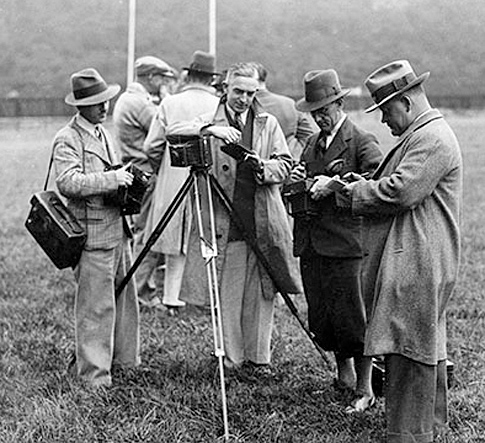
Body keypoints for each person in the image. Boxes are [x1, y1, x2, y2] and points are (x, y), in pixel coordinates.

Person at [332, 60, 462, 441]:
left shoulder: (432, 138)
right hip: (420, 256)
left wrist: (346, 191)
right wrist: (363, 181)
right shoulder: (423, 134)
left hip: (419, 260)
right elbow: (398, 182)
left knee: (408, 350)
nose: (385, 122)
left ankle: (409, 434)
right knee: (424, 345)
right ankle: (428, 428)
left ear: (405, 102)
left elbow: (401, 191)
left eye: (387, 112)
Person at [166, 62, 302, 372]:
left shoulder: (267, 123)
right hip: (224, 222)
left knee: (261, 292)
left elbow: (285, 162)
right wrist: (208, 130)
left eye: (250, 93)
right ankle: (232, 358)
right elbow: (171, 132)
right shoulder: (210, 120)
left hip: (262, 218)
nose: (243, 98)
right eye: (238, 91)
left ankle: (258, 358)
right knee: (229, 292)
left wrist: (264, 169)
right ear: (226, 88)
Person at [289, 69, 383, 412]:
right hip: (312, 244)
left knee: (352, 318)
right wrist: (300, 176)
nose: (320, 118)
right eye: (315, 113)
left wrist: (336, 185)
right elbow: (305, 178)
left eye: (325, 110)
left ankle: (365, 388)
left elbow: (375, 183)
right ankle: (343, 380)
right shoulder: (313, 143)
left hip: (346, 246)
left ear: (340, 103)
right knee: (324, 317)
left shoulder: (361, 140)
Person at [53, 68, 140, 388]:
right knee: (96, 307)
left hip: (118, 229)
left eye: (106, 100)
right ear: (80, 105)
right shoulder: (68, 137)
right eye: (96, 102)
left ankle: (125, 362)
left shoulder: (104, 132)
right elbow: (67, 182)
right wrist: (111, 179)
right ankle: (94, 378)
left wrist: (126, 181)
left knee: (124, 301)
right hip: (93, 236)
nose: (104, 107)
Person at [143, 50, 220, 313]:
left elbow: (151, 145)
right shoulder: (219, 105)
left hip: (173, 175)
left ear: (189, 75)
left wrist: (162, 169)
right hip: (209, 178)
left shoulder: (169, 103)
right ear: (211, 78)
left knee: (174, 239)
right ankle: (206, 298)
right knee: (207, 233)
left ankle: (172, 297)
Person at [112, 55, 175, 308]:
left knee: (140, 231)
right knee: (148, 233)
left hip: (135, 172)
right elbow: (166, 126)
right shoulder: (139, 103)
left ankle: (143, 291)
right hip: (146, 173)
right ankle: (136, 292)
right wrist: (169, 98)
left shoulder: (128, 99)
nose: (163, 82)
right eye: (161, 78)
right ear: (151, 77)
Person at [251, 61, 317, 160]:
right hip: (287, 164)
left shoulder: (242, 105)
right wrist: (294, 154)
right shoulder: (289, 104)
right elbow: (310, 138)